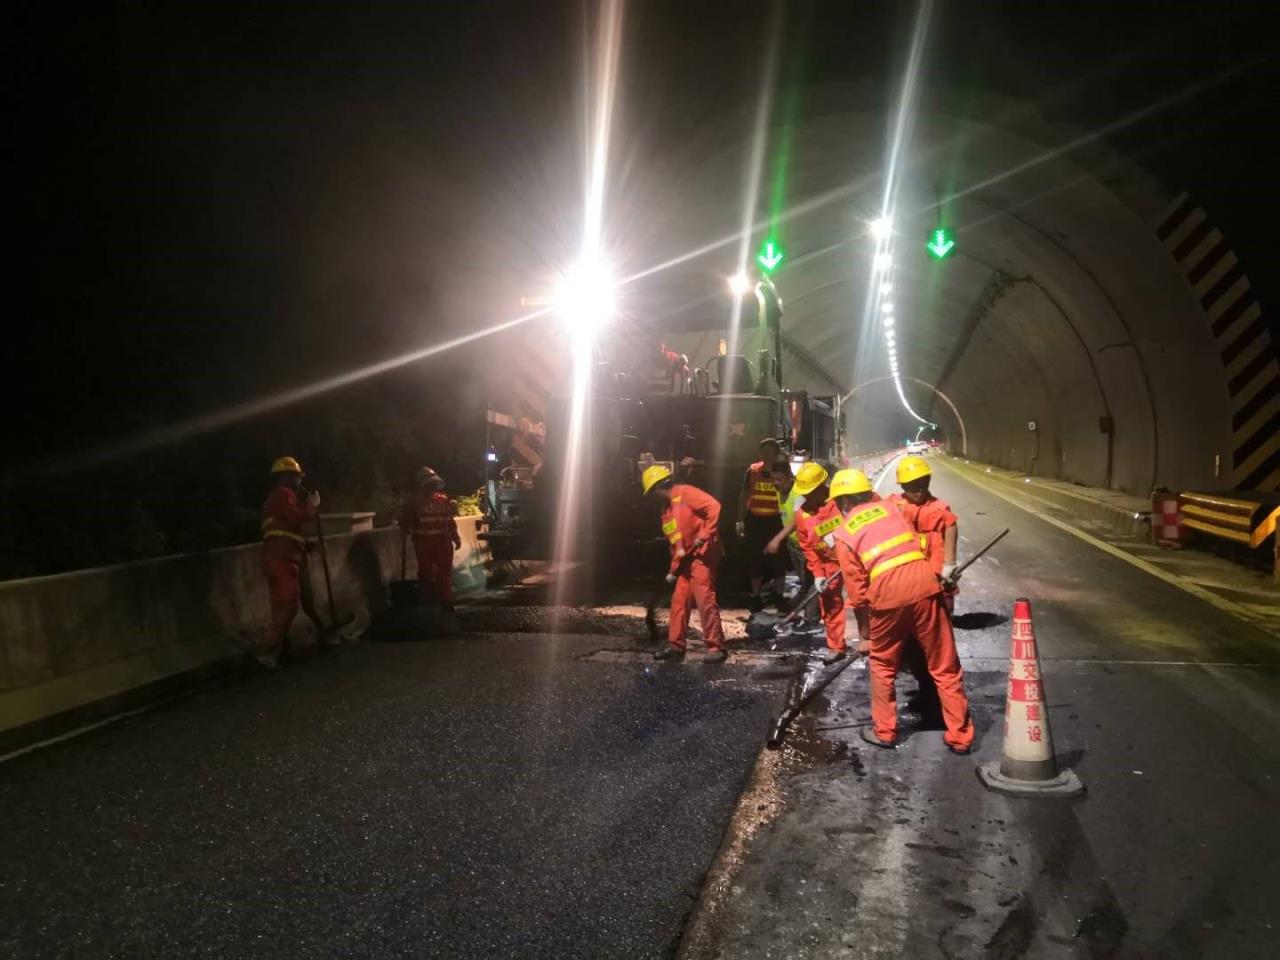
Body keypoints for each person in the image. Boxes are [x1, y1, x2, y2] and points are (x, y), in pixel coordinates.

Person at [829, 468, 974, 754]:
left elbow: (858, 595)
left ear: (843, 503)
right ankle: (960, 736)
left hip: (887, 596)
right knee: (945, 665)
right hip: (924, 585)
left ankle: (885, 731)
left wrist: (866, 637)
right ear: (867, 494)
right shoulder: (890, 508)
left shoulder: (844, 534)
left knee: (883, 665)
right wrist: (946, 565)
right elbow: (934, 526)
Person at [643, 464, 727, 664]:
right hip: (686, 560)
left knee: (704, 598)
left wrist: (705, 533)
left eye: (653, 492)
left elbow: (714, 507)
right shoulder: (667, 513)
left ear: (658, 488)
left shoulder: (687, 493)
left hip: (702, 555)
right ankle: (676, 646)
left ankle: (716, 646)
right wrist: (673, 569)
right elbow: (677, 545)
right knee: (679, 602)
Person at [259, 456, 321, 668]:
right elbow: (296, 517)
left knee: (280, 606)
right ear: (286, 476)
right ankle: (267, 651)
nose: (298, 481)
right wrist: (312, 507)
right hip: (283, 560)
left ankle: (276, 650)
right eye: (296, 477)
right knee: (288, 605)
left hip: (279, 558)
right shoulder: (284, 494)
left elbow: (285, 531)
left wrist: (305, 545)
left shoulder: (274, 498)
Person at [787, 463, 849, 665]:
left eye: (812, 492)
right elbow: (807, 545)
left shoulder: (840, 502)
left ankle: (874, 642)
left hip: (852, 559)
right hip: (827, 562)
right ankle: (836, 646)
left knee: (865, 599)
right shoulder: (801, 511)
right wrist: (818, 573)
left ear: (824, 485)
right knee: (830, 601)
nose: (808, 498)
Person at [890, 455, 959, 613]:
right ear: (903, 486)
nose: (919, 491)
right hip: (904, 573)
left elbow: (950, 524)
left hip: (932, 573)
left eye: (923, 484)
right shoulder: (893, 504)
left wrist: (949, 563)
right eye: (913, 486)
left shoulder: (939, 509)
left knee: (938, 613)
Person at [400, 466, 462, 610]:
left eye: (433, 484)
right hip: (424, 543)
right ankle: (428, 601)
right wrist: (404, 530)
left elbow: (450, 521)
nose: (432, 487)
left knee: (444, 573)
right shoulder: (413, 502)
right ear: (423, 485)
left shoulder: (443, 500)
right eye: (429, 484)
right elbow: (405, 522)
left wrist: (456, 537)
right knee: (425, 573)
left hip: (443, 542)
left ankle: (444, 600)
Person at [736, 438, 786, 612]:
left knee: (779, 561)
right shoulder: (753, 470)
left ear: (776, 453)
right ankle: (756, 597)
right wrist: (739, 520)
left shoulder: (783, 471)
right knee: (755, 560)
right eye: (765, 451)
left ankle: (779, 597)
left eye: (772, 451)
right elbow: (744, 495)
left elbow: (790, 492)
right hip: (755, 521)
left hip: (776, 521)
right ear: (761, 453)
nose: (768, 454)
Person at [770, 459, 812, 601]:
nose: (776, 483)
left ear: (790, 478)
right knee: (802, 578)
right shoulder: (777, 491)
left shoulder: (798, 494)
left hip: (805, 544)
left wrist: (777, 539)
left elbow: (796, 521)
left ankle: (811, 614)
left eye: (779, 480)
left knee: (809, 579)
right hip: (793, 543)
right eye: (774, 479)